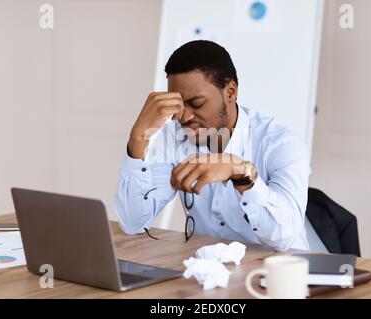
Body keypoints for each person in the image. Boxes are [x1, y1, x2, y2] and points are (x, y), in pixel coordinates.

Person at [114, 40, 311, 251]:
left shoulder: (281, 144)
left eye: (196, 104)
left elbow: (285, 237)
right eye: (178, 105)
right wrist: (138, 139)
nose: (185, 116)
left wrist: (240, 173)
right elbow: (133, 224)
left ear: (230, 91)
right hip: (208, 273)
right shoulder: (175, 138)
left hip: (279, 274)